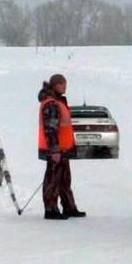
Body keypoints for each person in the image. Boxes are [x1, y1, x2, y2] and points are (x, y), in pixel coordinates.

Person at [38, 74, 86, 220]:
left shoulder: (58, 101)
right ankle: (51, 209)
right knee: (53, 179)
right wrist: (54, 149)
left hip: (63, 149)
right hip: (56, 150)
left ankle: (69, 207)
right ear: (55, 85)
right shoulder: (52, 104)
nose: (65, 86)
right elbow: (50, 129)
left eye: (65, 83)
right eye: (62, 84)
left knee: (65, 180)